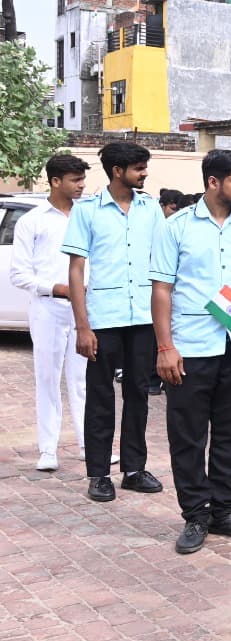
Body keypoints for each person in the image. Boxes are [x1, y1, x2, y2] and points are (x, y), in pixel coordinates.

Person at [152, 149, 231, 554]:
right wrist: (166, 347)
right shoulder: (178, 227)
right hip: (191, 347)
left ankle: (224, 510)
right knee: (187, 435)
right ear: (212, 182)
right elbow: (161, 289)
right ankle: (195, 514)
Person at [64, 141, 164, 503]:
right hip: (103, 318)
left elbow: (162, 263)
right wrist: (83, 326)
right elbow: (76, 271)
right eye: (139, 168)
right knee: (101, 396)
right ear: (118, 171)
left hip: (142, 318)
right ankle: (99, 473)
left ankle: (134, 469)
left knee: (139, 393)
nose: (145, 173)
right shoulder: (87, 211)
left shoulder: (150, 209)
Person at [13, 154, 91, 472]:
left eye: (83, 179)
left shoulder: (87, 218)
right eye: (75, 179)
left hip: (84, 311)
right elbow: (19, 275)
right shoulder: (32, 221)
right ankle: (48, 450)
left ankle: (91, 446)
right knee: (47, 378)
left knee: (84, 379)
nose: (82, 185)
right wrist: (56, 288)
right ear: (56, 181)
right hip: (48, 308)